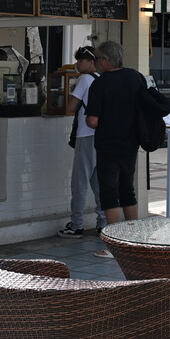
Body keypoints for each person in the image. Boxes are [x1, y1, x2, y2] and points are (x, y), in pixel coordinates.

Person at [84, 40, 146, 256]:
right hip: (131, 142)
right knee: (127, 188)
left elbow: (92, 120)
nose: (96, 63)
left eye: (97, 59)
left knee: (109, 192)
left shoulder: (100, 84)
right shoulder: (135, 77)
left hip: (108, 144)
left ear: (105, 60)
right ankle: (133, 239)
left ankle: (116, 245)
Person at [57, 47, 104, 238]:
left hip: (86, 135)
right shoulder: (101, 79)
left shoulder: (84, 79)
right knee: (99, 183)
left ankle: (76, 225)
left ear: (91, 62)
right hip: (101, 136)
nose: (77, 64)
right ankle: (103, 222)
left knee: (80, 182)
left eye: (81, 60)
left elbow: (71, 106)